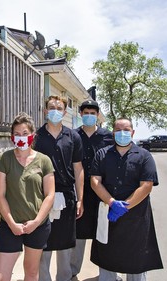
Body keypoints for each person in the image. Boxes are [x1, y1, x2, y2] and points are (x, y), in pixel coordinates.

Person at [89, 117, 163, 281]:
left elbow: (146, 186)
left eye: (126, 130)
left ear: (132, 132)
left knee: (135, 261)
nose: (122, 133)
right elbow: (95, 181)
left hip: (136, 218)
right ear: (113, 133)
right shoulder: (102, 154)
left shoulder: (144, 156)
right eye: (118, 130)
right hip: (109, 215)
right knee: (107, 256)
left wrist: (125, 206)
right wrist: (112, 203)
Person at [0, 112, 55, 281]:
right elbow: (0, 195)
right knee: (0, 277)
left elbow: (50, 195)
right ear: (12, 137)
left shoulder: (44, 161)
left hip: (37, 225)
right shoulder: (3, 160)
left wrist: (36, 222)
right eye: (17, 134)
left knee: (31, 272)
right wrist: (12, 223)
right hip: (10, 224)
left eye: (25, 134)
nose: (21, 138)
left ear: (32, 136)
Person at [34, 95, 84, 281]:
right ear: (45, 110)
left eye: (59, 107)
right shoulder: (37, 137)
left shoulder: (73, 137)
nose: (55, 110)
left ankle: (64, 277)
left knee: (64, 246)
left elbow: (78, 169)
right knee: (43, 244)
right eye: (51, 107)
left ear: (65, 112)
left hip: (67, 197)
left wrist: (81, 199)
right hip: (41, 197)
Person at [70, 100, 114, 278]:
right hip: (79, 192)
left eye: (93, 113)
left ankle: (106, 274)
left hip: (102, 192)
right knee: (77, 235)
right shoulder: (73, 135)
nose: (89, 116)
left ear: (98, 115)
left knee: (103, 233)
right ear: (80, 114)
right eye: (86, 112)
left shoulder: (109, 136)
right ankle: (72, 273)